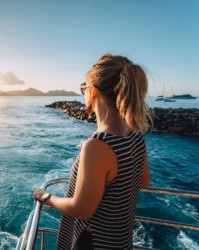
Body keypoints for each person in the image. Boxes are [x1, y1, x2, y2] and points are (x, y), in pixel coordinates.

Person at [34, 54, 152, 249]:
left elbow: (82, 209)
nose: (84, 94)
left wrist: (46, 197)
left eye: (84, 88)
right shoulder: (136, 135)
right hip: (120, 241)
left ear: (94, 91)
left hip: (93, 243)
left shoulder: (98, 145)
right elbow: (144, 181)